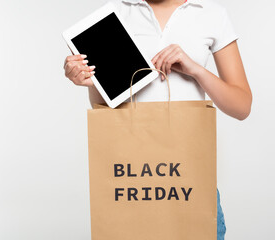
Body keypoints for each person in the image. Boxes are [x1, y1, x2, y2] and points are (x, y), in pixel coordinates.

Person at [63, 0, 252, 239]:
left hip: (190, 176)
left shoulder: (210, 13)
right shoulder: (118, 12)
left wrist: (195, 70)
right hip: (132, 178)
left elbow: (242, 106)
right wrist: (89, 81)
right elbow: (105, 110)